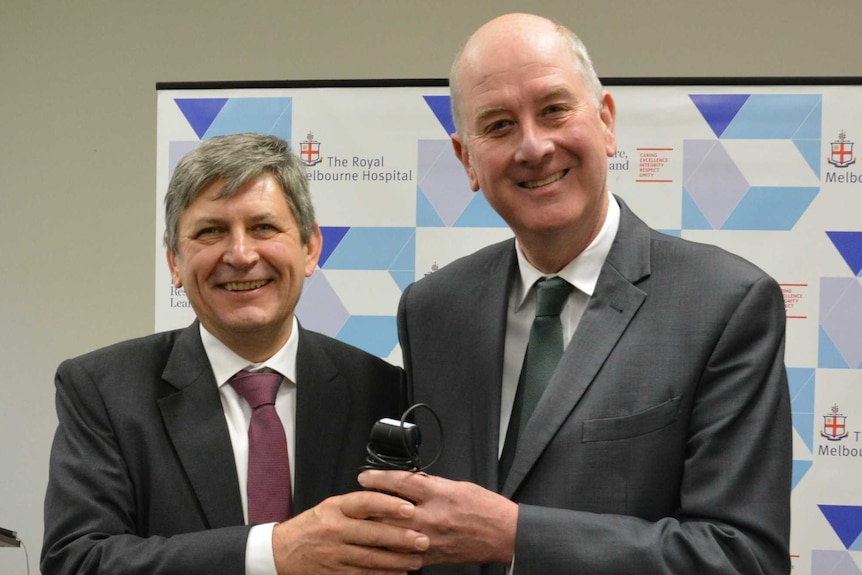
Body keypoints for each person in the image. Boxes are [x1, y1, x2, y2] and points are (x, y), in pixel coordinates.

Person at [358, 12, 792, 574]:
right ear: (466, 159)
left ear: (606, 122)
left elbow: (742, 558)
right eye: (497, 125)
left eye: (554, 110)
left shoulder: (726, 304)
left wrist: (515, 538)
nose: (534, 147)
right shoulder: (433, 308)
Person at [41, 133, 429, 575]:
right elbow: (76, 562)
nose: (241, 255)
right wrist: (272, 552)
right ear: (174, 263)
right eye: (211, 231)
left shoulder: (384, 392)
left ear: (310, 248)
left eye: (263, 227)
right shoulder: (102, 391)